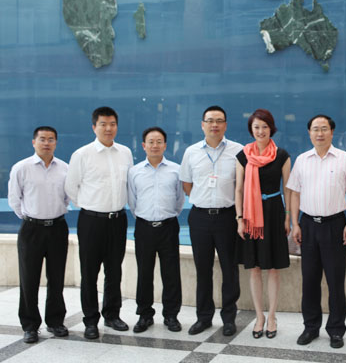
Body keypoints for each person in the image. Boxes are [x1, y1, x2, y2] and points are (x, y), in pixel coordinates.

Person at [287, 114, 346, 349]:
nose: (320, 133)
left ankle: (336, 330)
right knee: (309, 280)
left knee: (336, 281)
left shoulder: (344, 158)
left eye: (324, 128)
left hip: (335, 225)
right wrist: (295, 223)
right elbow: (294, 192)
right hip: (308, 225)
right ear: (309, 133)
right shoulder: (302, 160)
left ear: (332, 132)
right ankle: (310, 327)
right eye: (315, 129)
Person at [64, 106, 133, 339]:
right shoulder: (82, 154)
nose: (108, 128)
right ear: (94, 127)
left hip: (118, 220)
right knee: (89, 273)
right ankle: (90, 320)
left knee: (114, 271)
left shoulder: (125, 153)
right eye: (103, 124)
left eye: (112, 124)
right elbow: (71, 188)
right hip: (91, 221)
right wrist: (89, 205)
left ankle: (112, 315)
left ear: (117, 126)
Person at [179, 105, 243, 336]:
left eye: (219, 121)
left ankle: (229, 318)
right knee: (203, 269)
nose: (214, 125)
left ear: (225, 125)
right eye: (210, 121)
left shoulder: (238, 150)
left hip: (228, 217)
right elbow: (187, 184)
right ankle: (203, 317)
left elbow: (242, 185)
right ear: (202, 124)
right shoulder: (191, 152)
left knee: (229, 269)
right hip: (200, 217)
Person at [8, 126, 70, 343]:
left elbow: (67, 198)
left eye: (51, 139)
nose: (46, 143)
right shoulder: (21, 168)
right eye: (42, 139)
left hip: (57, 228)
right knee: (29, 278)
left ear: (56, 143)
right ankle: (30, 325)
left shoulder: (64, 168)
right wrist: (30, 218)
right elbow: (14, 199)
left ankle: (55, 321)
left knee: (57, 277)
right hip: (31, 229)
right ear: (34, 142)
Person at [234, 109, 291, 339]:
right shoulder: (243, 155)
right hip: (250, 216)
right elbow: (239, 189)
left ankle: (273, 316)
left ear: (271, 128)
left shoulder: (282, 155)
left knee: (273, 268)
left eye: (264, 127)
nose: (260, 131)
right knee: (255, 268)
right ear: (251, 129)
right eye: (256, 127)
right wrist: (239, 219)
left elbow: (288, 189)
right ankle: (259, 316)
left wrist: (288, 217)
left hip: (274, 213)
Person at [128, 127, 185, 333]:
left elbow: (179, 200)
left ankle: (171, 315)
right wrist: (145, 219)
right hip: (144, 227)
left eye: (159, 141)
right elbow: (133, 201)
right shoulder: (134, 172)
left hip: (168, 226)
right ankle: (145, 315)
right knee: (144, 273)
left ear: (165, 145)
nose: (155, 145)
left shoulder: (176, 170)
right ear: (144, 145)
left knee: (171, 273)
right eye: (151, 142)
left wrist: (167, 216)